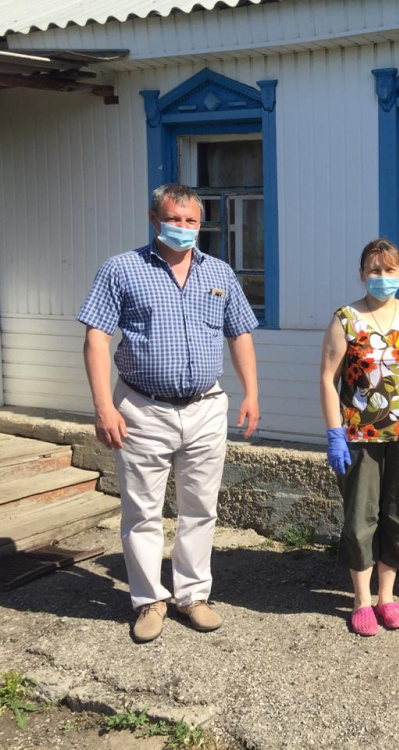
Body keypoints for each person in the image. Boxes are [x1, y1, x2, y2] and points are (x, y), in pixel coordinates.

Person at [78, 183, 261, 643]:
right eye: (173, 219)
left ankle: (192, 596)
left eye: (191, 220)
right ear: (154, 218)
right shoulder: (122, 269)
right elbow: (96, 338)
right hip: (142, 409)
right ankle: (148, 600)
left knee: (200, 508)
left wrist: (251, 393)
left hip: (205, 407)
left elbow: (239, 334)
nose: (182, 227)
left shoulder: (219, 272)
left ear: (201, 223)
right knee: (142, 511)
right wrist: (103, 406)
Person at [320, 238, 399, 636]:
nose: (382, 276)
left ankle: (386, 597)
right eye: (374, 270)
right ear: (361, 274)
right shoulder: (346, 319)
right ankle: (361, 600)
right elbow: (328, 379)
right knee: (360, 518)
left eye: (389, 270)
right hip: (359, 435)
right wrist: (334, 432)